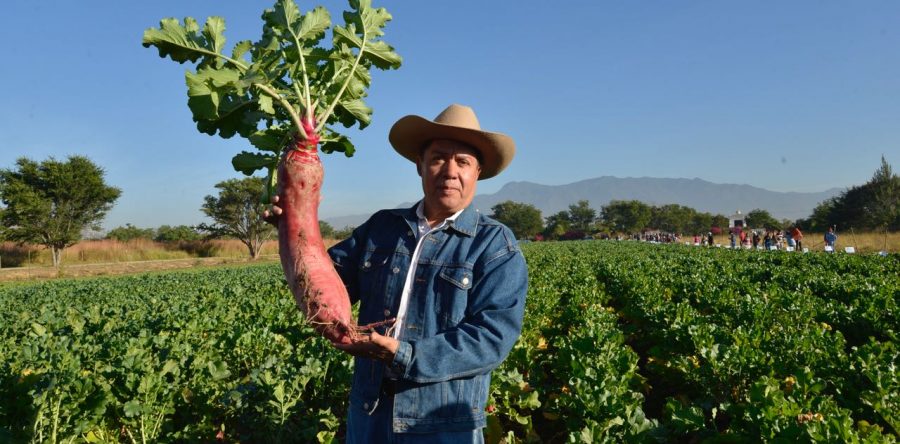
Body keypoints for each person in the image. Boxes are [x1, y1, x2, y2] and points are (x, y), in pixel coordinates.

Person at [267, 104, 527, 443]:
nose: (450, 171)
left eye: (462, 162)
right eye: (438, 158)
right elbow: (323, 287)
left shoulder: (494, 245)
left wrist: (403, 354)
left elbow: (491, 339)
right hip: (370, 412)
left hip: (443, 424)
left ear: (477, 172)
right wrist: (294, 229)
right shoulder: (382, 227)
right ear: (420, 165)